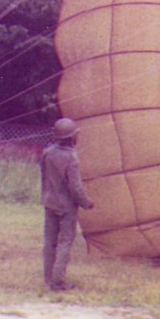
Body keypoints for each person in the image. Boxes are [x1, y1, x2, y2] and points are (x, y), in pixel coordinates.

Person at [40, 118, 95, 291]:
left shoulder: (47, 153)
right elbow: (75, 187)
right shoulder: (71, 157)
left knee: (50, 242)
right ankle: (58, 281)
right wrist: (86, 203)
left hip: (50, 202)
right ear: (72, 137)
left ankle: (48, 277)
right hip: (66, 207)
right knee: (65, 242)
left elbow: (44, 176)